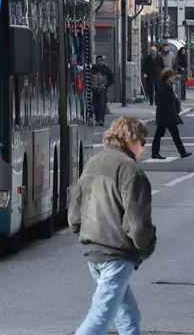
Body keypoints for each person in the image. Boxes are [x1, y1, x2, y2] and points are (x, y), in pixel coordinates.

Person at [68, 117, 157, 335]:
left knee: (127, 312)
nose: (143, 149)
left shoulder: (93, 163)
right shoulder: (130, 170)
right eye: (143, 142)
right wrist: (146, 246)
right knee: (100, 317)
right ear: (132, 140)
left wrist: (85, 234)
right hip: (116, 253)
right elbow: (138, 222)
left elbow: (74, 215)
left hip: (94, 250)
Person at [150, 68, 191, 160]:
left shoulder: (164, 86)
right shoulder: (166, 87)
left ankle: (155, 152)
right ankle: (182, 152)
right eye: (172, 76)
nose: (173, 78)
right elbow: (164, 101)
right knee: (174, 134)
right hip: (167, 115)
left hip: (164, 115)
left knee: (159, 134)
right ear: (168, 77)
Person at [91, 55, 115, 127]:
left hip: (102, 88)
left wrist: (107, 85)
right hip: (94, 88)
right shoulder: (93, 68)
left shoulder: (106, 69)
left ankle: (101, 119)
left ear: (102, 61)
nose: (99, 62)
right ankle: (97, 118)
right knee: (95, 104)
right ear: (96, 61)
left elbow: (111, 77)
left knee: (101, 104)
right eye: (98, 60)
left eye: (101, 60)